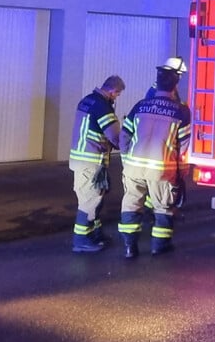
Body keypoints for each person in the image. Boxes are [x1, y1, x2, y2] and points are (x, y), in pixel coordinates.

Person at [118, 65, 191, 259]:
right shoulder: (181, 111)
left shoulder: (140, 105)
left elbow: (124, 135)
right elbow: (184, 145)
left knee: (131, 205)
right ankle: (159, 247)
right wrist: (182, 171)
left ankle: (129, 248)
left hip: (133, 167)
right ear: (175, 87)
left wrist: (126, 160)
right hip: (161, 170)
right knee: (163, 207)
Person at [69, 75, 125, 253]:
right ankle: (81, 240)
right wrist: (129, 145)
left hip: (81, 159)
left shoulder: (87, 101)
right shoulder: (103, 107)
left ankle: (94, 233)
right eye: (117, 94)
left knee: (95, 198)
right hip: (91, 161)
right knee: (89, 201)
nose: (116, 98)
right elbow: (115, 137)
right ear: (111, 91)